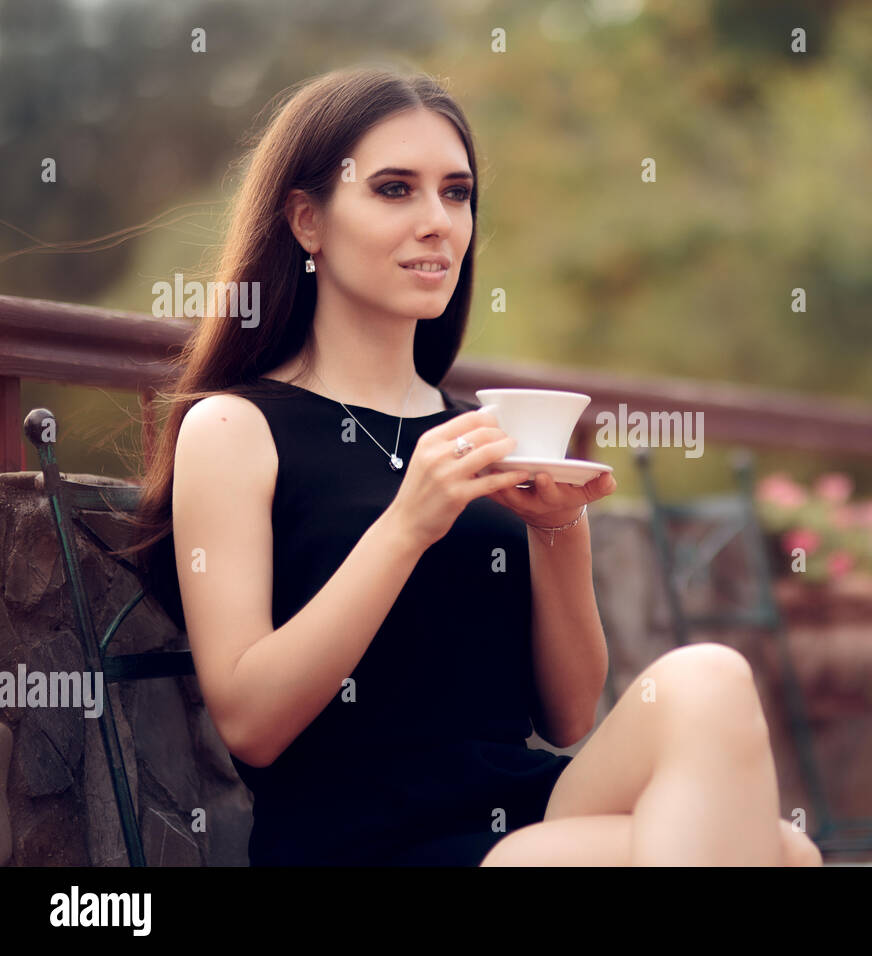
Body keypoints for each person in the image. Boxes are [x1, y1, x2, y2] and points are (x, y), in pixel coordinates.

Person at [124, 66, 822, 866]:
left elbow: (565, 718)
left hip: (521, 811)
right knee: (778, 857)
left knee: (712, 683)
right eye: (395, 190)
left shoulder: (479, 434)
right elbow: (251, 723)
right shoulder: (235, 427)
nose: (438, 222)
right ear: (307, 220)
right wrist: (406, 527)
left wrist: (561, 528)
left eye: (456, 194)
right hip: (364, 841)